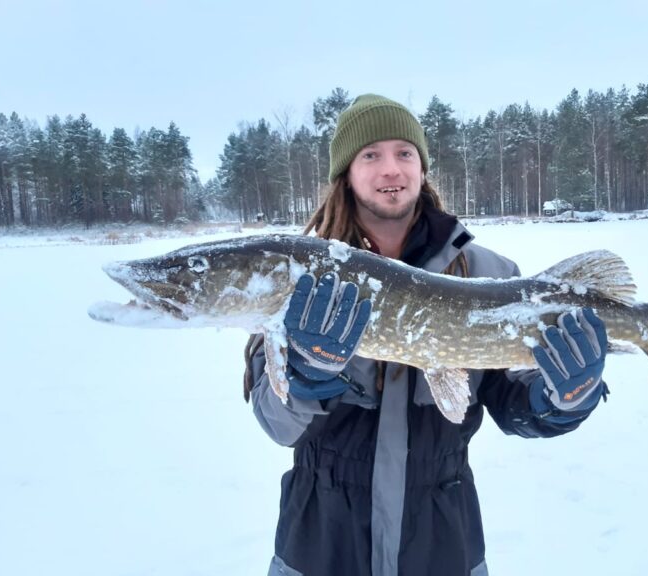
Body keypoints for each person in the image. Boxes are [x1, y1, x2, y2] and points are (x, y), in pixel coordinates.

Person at [243, 94, 609, 576]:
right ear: (346, 173)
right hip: (322, 541)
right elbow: (277, 425)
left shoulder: (488, 272)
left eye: (405, 153)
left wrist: (562, 399)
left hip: (441, 540)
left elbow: (515, 404)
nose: (391, 169)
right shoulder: (302, 276)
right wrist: (304, 377)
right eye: (370, 155)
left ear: (422, 167)